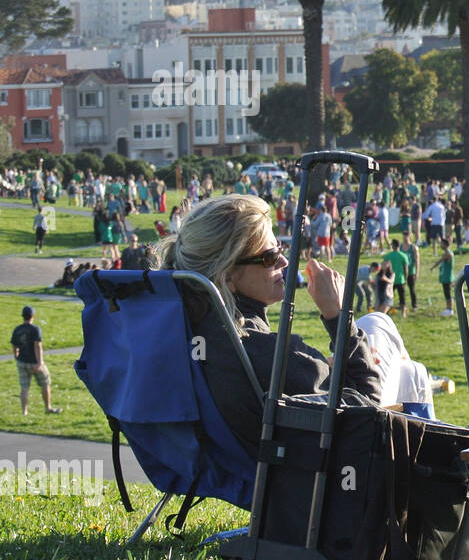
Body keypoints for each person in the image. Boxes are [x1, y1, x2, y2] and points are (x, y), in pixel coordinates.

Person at [155, 194, 379, 453]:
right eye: (269, 257)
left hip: (217, 462)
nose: (284, 263)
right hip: (305, 472)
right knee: (385, 334)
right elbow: (369, 409)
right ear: (227, 275)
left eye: (280, 250)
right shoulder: (262, 352)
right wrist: (338, 317)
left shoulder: (186, 328)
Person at [11, 304, 60, 414]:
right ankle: (48, 407)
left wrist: (16, 356)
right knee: (45, 382)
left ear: (23, 316)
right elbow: (37, 346)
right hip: (34, 362)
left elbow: (14, 346)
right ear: (32, 316)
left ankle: (24, 411)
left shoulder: (17, 329)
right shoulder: (35, 329)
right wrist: (40, 362)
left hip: (22, 362)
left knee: (24, 387)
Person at [383, 240, 411, 318]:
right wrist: (406, 279)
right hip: (400, 280)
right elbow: (406, 269)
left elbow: (384, 268)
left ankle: (386, 312)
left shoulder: (388, 256)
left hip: (390, 280)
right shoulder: (403, 255)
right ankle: (403, 313)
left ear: (393, 246)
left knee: (388, 297)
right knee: (402, 297)